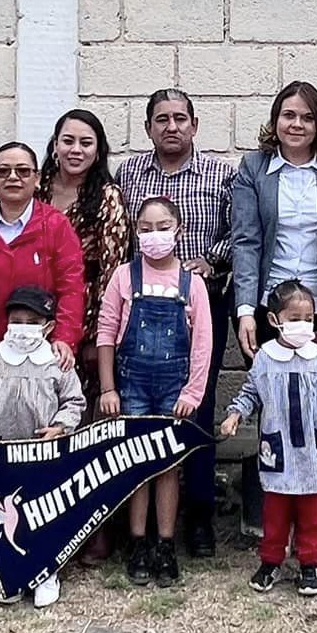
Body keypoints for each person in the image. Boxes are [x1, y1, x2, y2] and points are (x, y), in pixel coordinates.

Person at [228, 82, 317, 539]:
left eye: (307, 117)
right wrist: (246, 309)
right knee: (274, 408)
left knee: (314, 407)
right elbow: (246, 241)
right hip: (269, 306)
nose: (297, 124)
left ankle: (313, 521)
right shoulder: (253, 169)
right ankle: (269, 518)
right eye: (289, 115)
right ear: (275, 120)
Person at [116, 89, 236, 557]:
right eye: (161, 119)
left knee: (197, 407)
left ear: (195, 124)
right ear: (148, 127)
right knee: (141, 417)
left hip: (198, 304)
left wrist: (209, 260)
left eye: (180, 118)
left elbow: (238, 233)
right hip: (142, 308)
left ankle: (199, 515)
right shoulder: (128, 174)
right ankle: (139, 528)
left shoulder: (220, 175)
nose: (171, 126)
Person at [96, 196, 212, 589]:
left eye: (163, 226)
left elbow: (203, 345)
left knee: (167, 466)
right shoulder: (123, 278)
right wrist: (109, 387)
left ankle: (165, 543)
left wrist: (193, 393)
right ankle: (137, 541)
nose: (154, 234)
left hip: (174, 391)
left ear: (178, 230)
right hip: (132, 387)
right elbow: (107, 333)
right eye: (145, 228)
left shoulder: (192, 283)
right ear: (135, 231)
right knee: (136, 466)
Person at [0, 286, 85, 609]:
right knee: (8, 521)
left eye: (31, 321)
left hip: (44, 456)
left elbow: (75, 401)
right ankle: (12, 574)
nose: (22, 327)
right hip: (5, 455)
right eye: (16, 320)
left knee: (44, 515)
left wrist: (61, 426)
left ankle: (46, 573)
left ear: (48, 326)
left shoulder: (57, 362)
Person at [220, 279, 317, 597]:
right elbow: (251, 392)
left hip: (313, 453)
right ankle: (271, 560)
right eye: (294, 319)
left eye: (308, 318)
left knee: (314, 512)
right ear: (275, 320)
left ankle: (310, 564)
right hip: (278, 452)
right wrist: (236, 414)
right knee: (275, 512)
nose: (302, 325)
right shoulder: (265, 359)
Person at [0, 141, 87, 365]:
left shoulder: (56, 225)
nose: (13, 177)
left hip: (43, 354)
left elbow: (71, 287)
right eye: (3, 171)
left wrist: (64, 339)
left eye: (23, 171)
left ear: (38, 178)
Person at [42, 108, 129, 418]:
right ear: (55, 146)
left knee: (77, 400)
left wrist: (99, 333)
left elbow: (113, 269)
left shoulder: (108, 197)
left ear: (98, 151)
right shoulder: (36, 191)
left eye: (85, 143)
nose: (75, 150)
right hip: (36, 307)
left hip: (88, 307)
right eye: (68, 141)